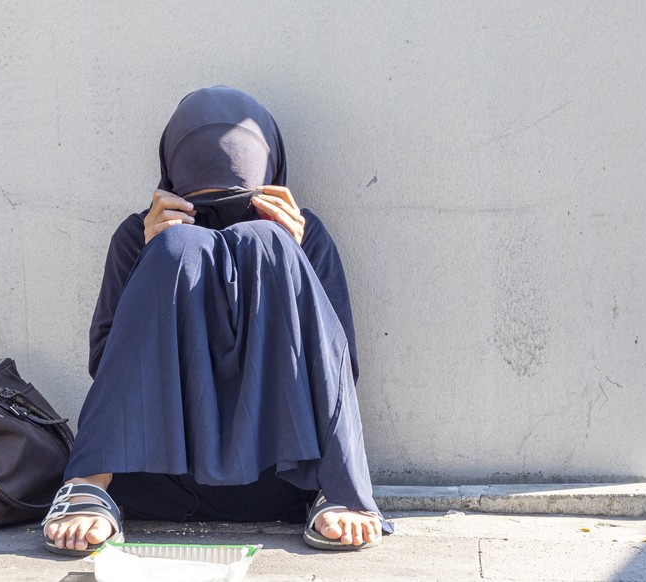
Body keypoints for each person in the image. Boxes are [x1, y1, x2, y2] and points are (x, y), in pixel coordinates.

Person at [41, 86, 391, 555]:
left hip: (287, 477)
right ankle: (90, 485)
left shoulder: (303, 233)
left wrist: (293, 259)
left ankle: (339, 489)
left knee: (266, 241)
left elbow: (341, 366)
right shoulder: (139, 234)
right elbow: (106, 363)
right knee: (177, 248)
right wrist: (152, 260)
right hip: (157, 478)